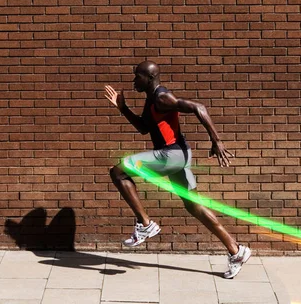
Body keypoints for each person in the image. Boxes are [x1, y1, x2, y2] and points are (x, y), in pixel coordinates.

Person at [104, 60, 251, 279]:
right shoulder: (151, 100)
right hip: (178, 156)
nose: (134, 80)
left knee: (118, 172)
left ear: (150, 78)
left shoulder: (163, 97)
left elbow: (198, 107)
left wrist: (216, 141)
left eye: (138, 77)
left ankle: (145, 224)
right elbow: (144, 128)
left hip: (171, 155)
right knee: (194, 207)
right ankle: (236, 250)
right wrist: (123, 108)